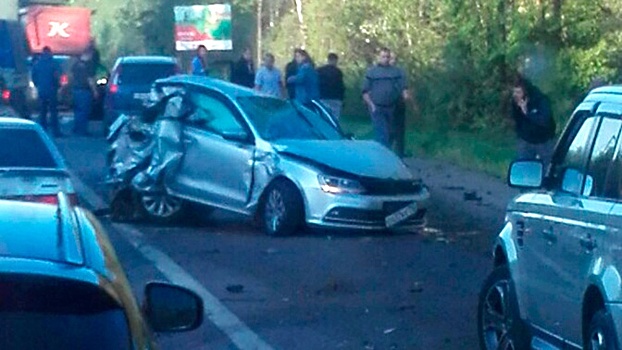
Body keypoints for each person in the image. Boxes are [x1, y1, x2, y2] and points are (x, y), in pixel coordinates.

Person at [362, 47, 408, 147]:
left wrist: (404, 97)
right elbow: (365, 91)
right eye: (383, 57)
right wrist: (371, 105)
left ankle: (387, 152)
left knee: (391, 132)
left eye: (387, 57)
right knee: (381, 132)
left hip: (392, 107)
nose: (385, 59)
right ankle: (383, 155)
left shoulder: (396, 72)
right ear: (379, 57)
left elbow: (403, 88)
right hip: (377, 107)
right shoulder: (372, 72)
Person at [510, 75, 556, 165]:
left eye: (518, 92)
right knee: (524, 165)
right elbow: (517, 120)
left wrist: (527, 112)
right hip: (526, 139)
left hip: (544, 140)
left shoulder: (541, 100)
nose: (516, 95)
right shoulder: (516, 102)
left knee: (548, 167)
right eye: (514, 92)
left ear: (525, 92)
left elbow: (544, 120)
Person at [31, 46, 61, 137]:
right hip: (52, 90)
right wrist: (57, 86)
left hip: (42, 90)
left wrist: (37, 85)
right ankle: (55, 131)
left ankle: (43, 130)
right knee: (53, 111)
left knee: (42, 111)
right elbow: (57, 76)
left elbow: (33, 76)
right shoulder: (54, 63)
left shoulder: (37, 64)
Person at [71, 50, 98, 136]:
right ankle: (83, 130)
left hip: (75, 90)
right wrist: (95, 91)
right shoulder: (88, 66)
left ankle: (76, 128)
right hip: (84, 90)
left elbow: (71, 76)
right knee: (84, 111)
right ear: (88, 54)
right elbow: (90, 80)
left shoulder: (75, 65)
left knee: (77, 111)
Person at [389, 52, 408, 157]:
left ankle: (400, 151)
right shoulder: (381, 72)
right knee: (388, 127)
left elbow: (404, 87)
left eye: (394, 59)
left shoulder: (400, 72)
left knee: (399, 127)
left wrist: (405, 97)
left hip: (398, 102)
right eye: (391, 58)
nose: (393, 60)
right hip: (386, 103)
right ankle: (387, 149)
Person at [317, 53, 345, 120]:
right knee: (335, 117)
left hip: (323, 96)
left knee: (323, 117)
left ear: (328, 60)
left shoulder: (320, 70)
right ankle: (333, 130)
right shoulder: (338, 72)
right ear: (335, 60)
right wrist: (342, 97)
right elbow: (341, 86)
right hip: (336, 98)